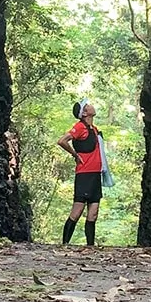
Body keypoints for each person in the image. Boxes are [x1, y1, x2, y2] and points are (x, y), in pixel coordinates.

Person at [56, 99, 105, 246]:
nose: (91, 106)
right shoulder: (79, 127)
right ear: (84, 113)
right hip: (84, 174)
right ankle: (65, 243)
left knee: (93, 212)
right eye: (88, 105)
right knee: (77, 211)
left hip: (96, 174)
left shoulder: (94, 129)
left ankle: (90, 246)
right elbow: (62, 141)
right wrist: (75, 155)